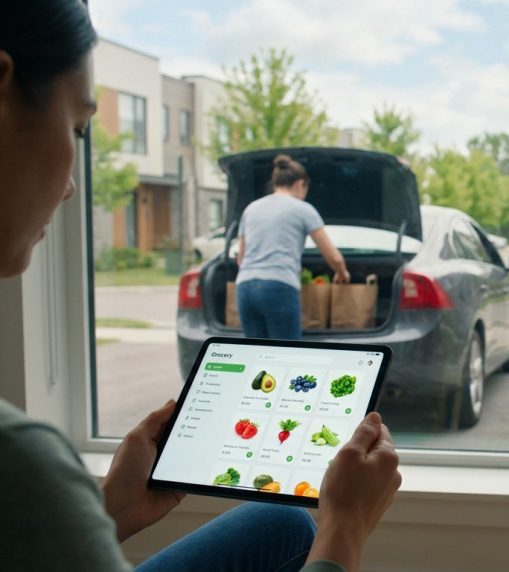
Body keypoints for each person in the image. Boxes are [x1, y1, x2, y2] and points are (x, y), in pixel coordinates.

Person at [0, 3, 400, 571]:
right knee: (291, 382)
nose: (70, 187)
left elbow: (234, 255)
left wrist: (107, 511)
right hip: (282, 288)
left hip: (249, 286)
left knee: (279, 514)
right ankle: (284, 456)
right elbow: (330, 253)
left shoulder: (254, 207)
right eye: (78, 126)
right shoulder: (20, 460)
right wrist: (346, 526)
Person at [235, 154, 350, 339]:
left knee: (255, 355)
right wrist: (342, 273)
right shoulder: (303, 209)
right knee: (286, 355)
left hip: (244, 288)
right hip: (279, 287)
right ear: (300, 184)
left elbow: (241, 258)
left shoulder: (251, 208)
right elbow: (333, 256)